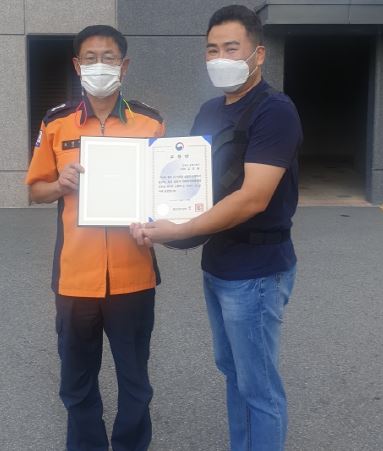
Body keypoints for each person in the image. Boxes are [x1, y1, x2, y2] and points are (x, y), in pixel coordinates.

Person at [131, 5, 303, 451]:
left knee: (258, 385)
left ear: (258, 54)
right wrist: (148, 196)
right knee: (234, 372)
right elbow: (189, 181)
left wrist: (176, 230)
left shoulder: (274, 111)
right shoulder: (210, 111)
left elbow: (253, 197)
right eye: (212, 49)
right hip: (219, 263)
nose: (220, 58)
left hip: (257, 270)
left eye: (231, 48)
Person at [26, 25, 165, 451]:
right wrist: (60, 184)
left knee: (135, 383)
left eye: (109, 58)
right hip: (75, 279)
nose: (99, 65)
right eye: (90, 58)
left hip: (133, 276)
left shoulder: (151, 123)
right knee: (77, 382)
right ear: (77, 65)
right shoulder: (55, 122)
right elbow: (36, 190)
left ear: (124, 65)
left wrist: (163, 218)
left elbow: (165, 193)